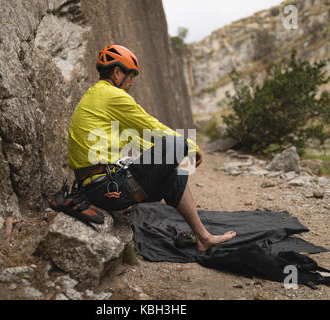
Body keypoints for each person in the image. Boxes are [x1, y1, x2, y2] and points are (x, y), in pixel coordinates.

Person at [66, 45, 236, 251]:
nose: (131, 83)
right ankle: (203, 236)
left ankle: (203, 237)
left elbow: (139, 140)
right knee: (176, 143)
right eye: (130, 76)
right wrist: (190, 146)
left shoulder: (95, 96)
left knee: (174, 162)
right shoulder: (113, 96)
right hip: (107, 189)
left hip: (95, 187)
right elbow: (152, 126)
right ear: (117, 72)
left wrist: (176, 157)